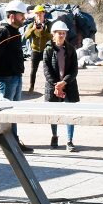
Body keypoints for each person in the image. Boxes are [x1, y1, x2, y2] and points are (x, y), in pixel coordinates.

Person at [0, 0, 33, 153]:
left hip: (16, 76)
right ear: (12, 16)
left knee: (13, 113)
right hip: (6, 78)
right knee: (5, 112)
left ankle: (13, 141)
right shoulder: (2, 32)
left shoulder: (16, 32)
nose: (24, 18)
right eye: (21, 16)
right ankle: (4, 143)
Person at [43, 21, 80, 152]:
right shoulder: (47, 50)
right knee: (53, 114)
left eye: (64, 33)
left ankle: (69, 140)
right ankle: (54, 136)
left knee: (70, 114)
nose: (62, 35)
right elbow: (46, 70)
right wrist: (56, 85)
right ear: (53, 34)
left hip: (68, 86)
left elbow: (74, 70)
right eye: (59, 33)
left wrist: (64, 82)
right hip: (53, 87)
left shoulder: (71, 50)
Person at [25, 4, 52, 92]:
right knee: (33, 70)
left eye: (40, 13)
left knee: (48, 70)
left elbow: (52, 36)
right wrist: (33, 29)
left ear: (44, 13)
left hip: (45, 50)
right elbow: (26, 36)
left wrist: (42, 31)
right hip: (35, 50)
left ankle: (50, 86)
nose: (39, 15)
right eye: (37, 14)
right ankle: (31, 87)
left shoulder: (49, 24)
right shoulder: (32, 25)